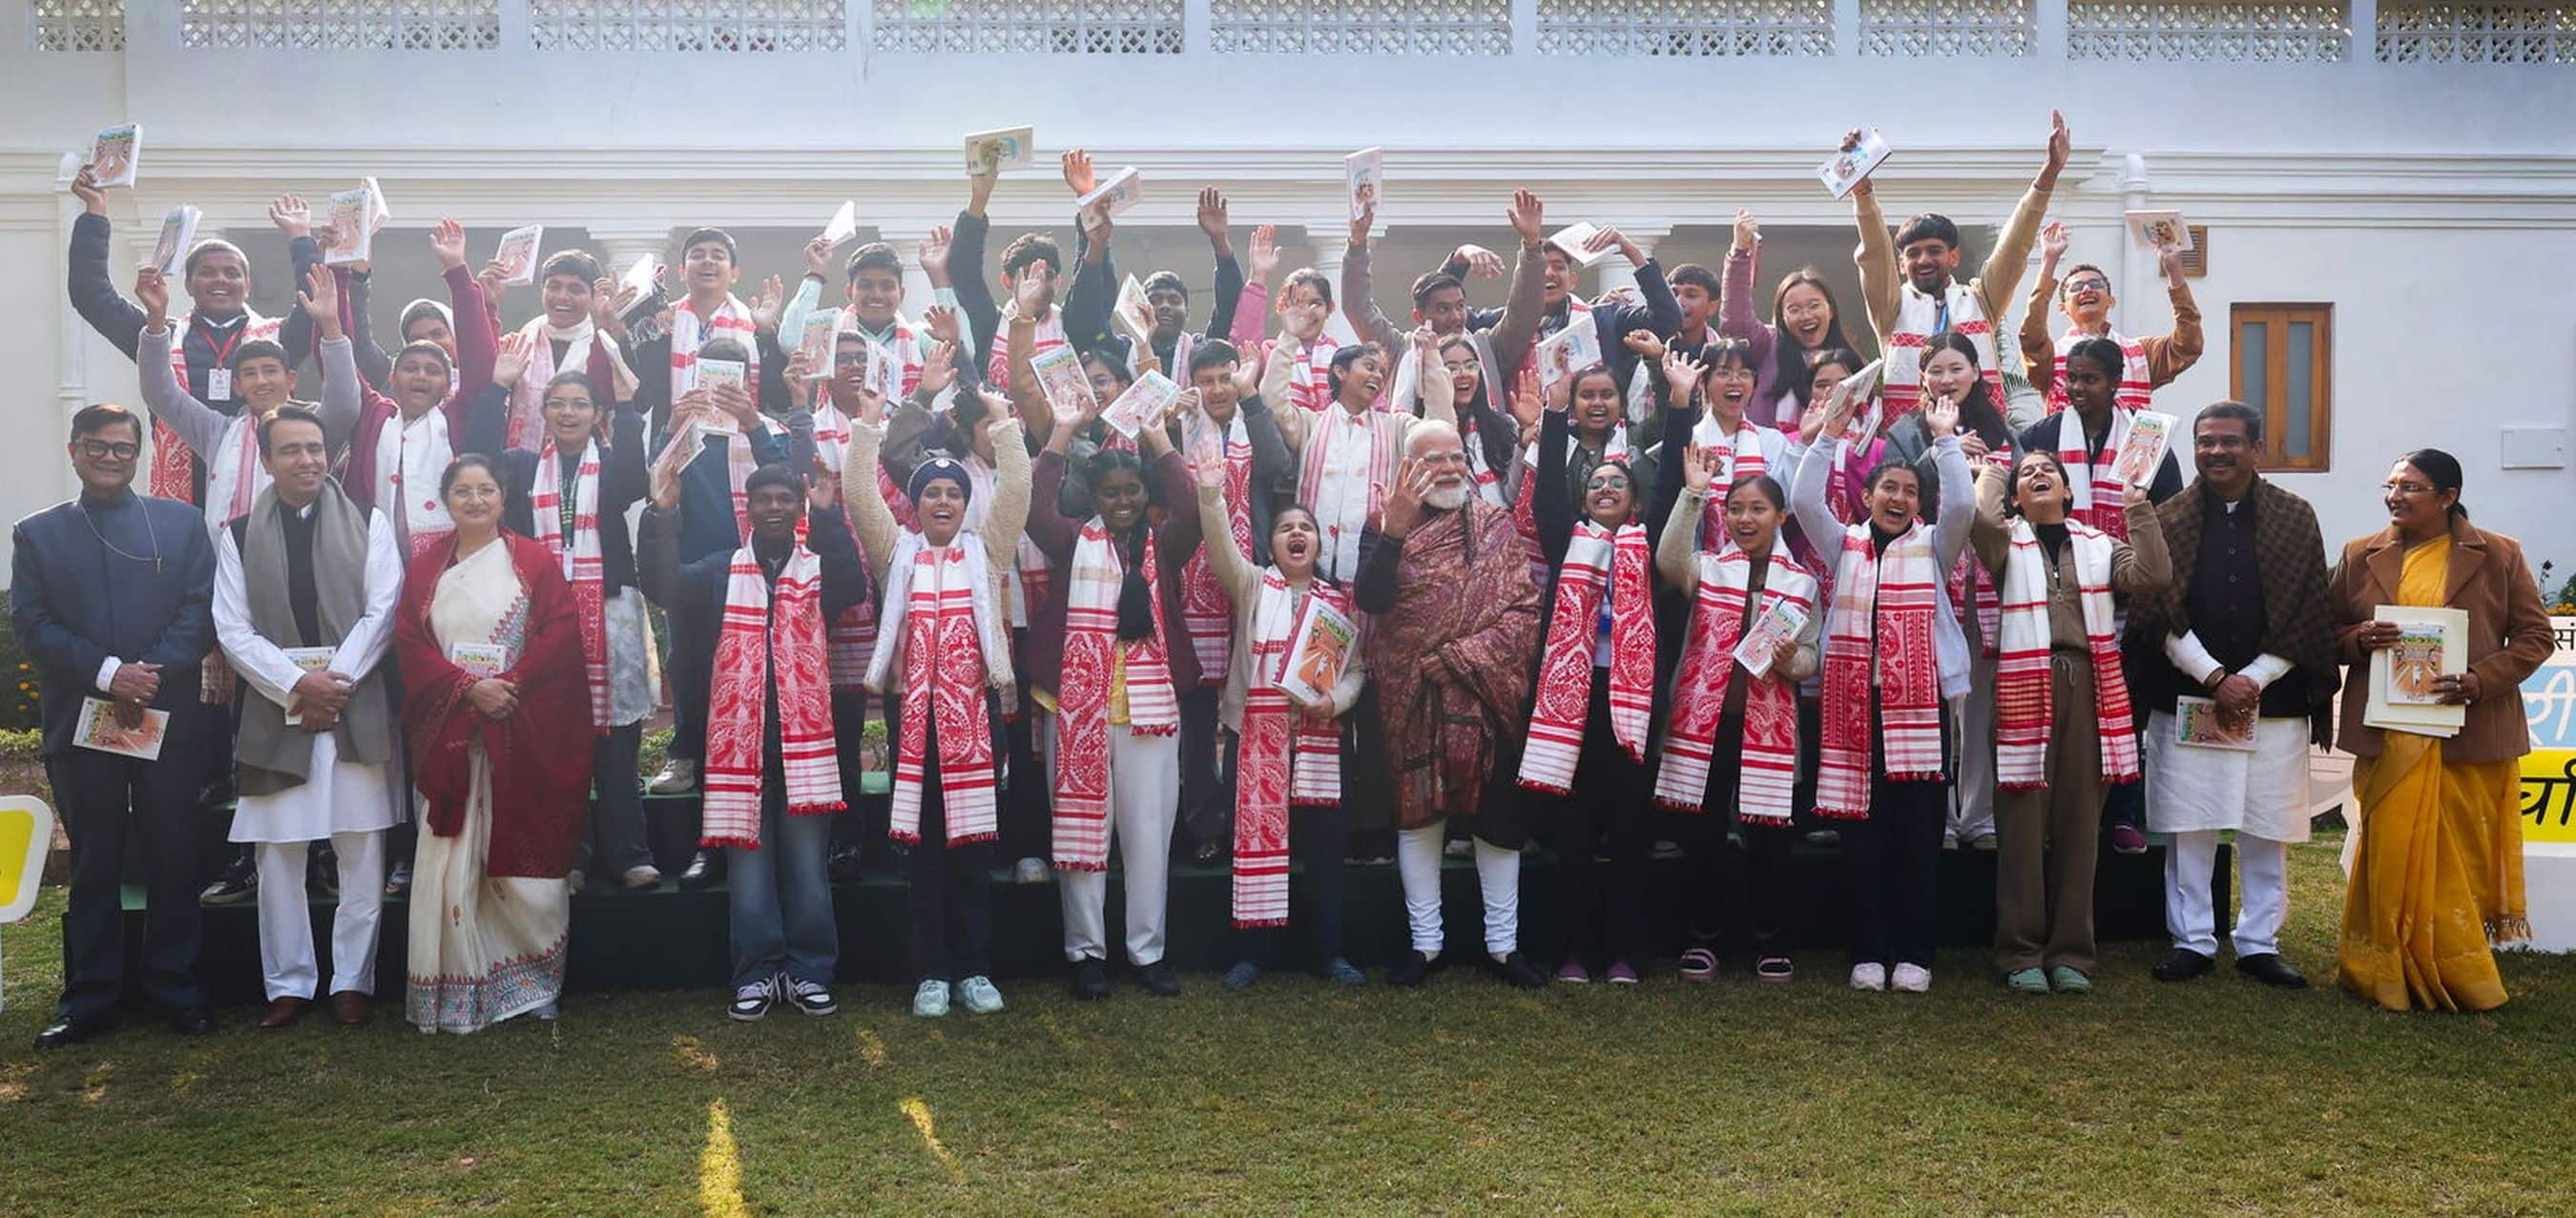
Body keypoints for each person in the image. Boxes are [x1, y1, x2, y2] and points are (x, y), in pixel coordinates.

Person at [16, 404, 219, 1046]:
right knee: (96, 861)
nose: (110, 458)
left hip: (166, 716)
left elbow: (200, 608)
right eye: (97, 447)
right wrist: (109, 674)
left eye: (123, 449)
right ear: (73, 451)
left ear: (141, 455)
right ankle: (90, 997)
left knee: (173, 856)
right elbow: (34, 624)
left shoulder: (181, 524)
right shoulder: (37, 534)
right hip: (83, 720)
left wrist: (148, 674)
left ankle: (176, 987)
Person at [638, 463, 867, 1022]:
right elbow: (661, 583)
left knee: (808, 869)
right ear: (747, 507)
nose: (772, 508)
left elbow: (854, 582)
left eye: (784, 499)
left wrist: (831, 515)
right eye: (762, 499)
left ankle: (811, 970)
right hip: (739, 748)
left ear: (798, 508)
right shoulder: (721, 571)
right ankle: (757, 973)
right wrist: (662, 516)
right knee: (749, 871)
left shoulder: (819, 570)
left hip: (805, 745)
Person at [2329, 448, 2553, 1012]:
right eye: (2391, 485)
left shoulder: (2499, 554)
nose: (2395, 496)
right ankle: (2382, 965)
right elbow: (2325, 631)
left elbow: (2534, 637)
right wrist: (2360, 639)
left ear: (2448, 496)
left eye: (2411, 487)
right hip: (2389, 734)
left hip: (2468, 731)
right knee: (2390, 849)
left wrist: (2479, 679)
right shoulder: (2361, 554)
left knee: (2458, 856)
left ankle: (2457, 968)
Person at [2128, 403, 2337, 988]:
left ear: (2257, 448)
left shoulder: (2295, 518)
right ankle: (2192, 939)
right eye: (2205, 442)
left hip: (2275, 700)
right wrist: (2216, 677)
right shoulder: (2168, 517)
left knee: (2264, 825)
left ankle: (2257, 942)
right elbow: (2155, 614)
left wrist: (2255, 678)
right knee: (2190, 824)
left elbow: (2307, 611)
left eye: (2229, 442)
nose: (2216, 452)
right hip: (2188, 696)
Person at [212, 406, 405, 1029]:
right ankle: (289, 983)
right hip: (279, 709)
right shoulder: (238, 534)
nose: (307, 460)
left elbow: (384, 610)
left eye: (316, 448)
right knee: (279, 855)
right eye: (291, 450)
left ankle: (353, 980)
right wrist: (299, 684)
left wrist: (335, 684)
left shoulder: (369, 522)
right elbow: (232, 629)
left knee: (361, 850)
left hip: (353, 705)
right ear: (267, 460)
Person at [845, 379, 1032, 1020]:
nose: (945, 501)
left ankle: (976, 967)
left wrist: (1005, 424)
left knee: (973, 851)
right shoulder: (895, 552)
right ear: (918, 505)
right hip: (915, 723)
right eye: (932, 493)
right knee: (923, 855)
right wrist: (867, 430)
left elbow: (1016, 490)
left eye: (954, 492)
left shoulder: (989, 551)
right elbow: (860, 495)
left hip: (978, 721)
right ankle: (931, 972)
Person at [1024, 347, 1204, 1000]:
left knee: (1150, 835)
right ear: (1094, 497)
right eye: (1110, 492)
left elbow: (1188, 504)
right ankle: (1086, 951)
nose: (1123, 501)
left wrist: (1156, 433)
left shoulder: (1164, 542)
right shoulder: (1076, 541)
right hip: (1079, 703)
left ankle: (1147, 952)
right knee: (1079, 826)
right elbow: (1036, 505)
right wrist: (1063, 431)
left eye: (1132, 491)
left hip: (1149, 715)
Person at [394, 456, 592, 1033]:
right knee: (455, 859)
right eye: (463, 491)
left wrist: (508, 689)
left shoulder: (533, 561)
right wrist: (467, 691)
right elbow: (410, 643)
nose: (475, 500)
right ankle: (455, 987)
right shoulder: (426, 568)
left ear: (504, 498)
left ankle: (533, 983)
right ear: (445, 500)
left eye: (485, 491)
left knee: (522, 856)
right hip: (453, 733)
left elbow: (559, 635)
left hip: (522, 727)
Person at [1788, 394, 1974, 993]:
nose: (1897, 499)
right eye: (1887, 489)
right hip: (1853, 711)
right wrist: (1829, 435)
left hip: (1919, 712)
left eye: (1909, 492)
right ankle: (1868, 949)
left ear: (1920, 504)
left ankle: (1914, 951)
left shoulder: (1935, 548)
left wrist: (1944, 439)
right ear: (1866, 498)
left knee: (1917, 838)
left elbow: (1966, 504)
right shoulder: (1842, 545)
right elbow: (1801, 499)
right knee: (1862, 840)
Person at [1353, 423, 1547, 989]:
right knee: (1419, 818)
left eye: (1455, 456)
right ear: (1406, 468)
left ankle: (1504, 947)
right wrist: (1393, 532)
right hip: (1408, 695)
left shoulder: (1495, 527)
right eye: (1430, 459)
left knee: (1497, 822)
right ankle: (1425, 944)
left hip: (1485, 690)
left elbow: (1523, 612)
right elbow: (1371, 600)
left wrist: (1463, 656)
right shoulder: (1382, 524)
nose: (1447, 467)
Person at [1971, 447, 2170, 995]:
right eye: (2026, 474)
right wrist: (1991, 471)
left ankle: (2072, 953)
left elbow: (2153, 574)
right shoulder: (2003, 543)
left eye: (2048, 472)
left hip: (2089, 686)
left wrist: (2138, 507)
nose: (2038, 476)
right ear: (2015, 497)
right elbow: (1982, 518)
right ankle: (2020, 952)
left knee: (2081, 825)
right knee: (2021, 825)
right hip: (2022, 683)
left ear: (2068, 491)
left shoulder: (2098, 545)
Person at [467, 334, 659, 894]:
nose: (568, 412)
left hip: (612, 611)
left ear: (595, 415)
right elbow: (476, 455)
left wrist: (626, 406)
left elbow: (636, 476)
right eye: (558, 403)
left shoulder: (613, 467)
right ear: (544, 413)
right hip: (543, 617)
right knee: (554, 738)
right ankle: (568, 854)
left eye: (580, 404)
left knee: (618, 742)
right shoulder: (524, 470)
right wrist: (499, 388)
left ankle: (629, 852)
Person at [1188, 462, 1368, 989]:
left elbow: (1356, 673)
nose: (1297, 533)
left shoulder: (1339, 604)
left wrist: (1333, 702)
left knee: (1325, 857)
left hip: (1321, 746)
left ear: (1317, 544)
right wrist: (1209, 492)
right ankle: (1252, 954)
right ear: (1271, 545)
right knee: (1255, 846)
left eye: (1306, 528)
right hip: (1254, 744)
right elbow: (1220, 544)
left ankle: (1327, 953)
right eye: (1286, 527)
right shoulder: (1251, 587)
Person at [1519, 369, 1661, 984]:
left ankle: (1627, 952)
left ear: (1635, 500)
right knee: (1573, 836)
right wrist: (1554, 419)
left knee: (1630, 837)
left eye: (1618, 484)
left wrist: (1679, 408)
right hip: (1571, 709)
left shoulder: (1651, 548)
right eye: (1597, 483)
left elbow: (1679, 482)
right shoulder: (1565, 538)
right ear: (1584, 499)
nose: (1606, 488)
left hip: (1632, 709)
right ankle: (1572, 951)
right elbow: (1547, 491)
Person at [1654, 459, 1819, 983]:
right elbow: (1667, 558)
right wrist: (1693, 495)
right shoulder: (1709, 567)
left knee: (1767, 839)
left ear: (1781, 516)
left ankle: (1770, 941)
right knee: (1702, 838)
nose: (1745, 519)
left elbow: (1812, 656)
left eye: (1758, 509)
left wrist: (1792, 659)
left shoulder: (1803, 583)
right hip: (1707, 727)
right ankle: (1702, 940)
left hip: (1768, 730)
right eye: (1736, 510)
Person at [69, 172, 321, 505]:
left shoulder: (275, 339)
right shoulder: (159, 334)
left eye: (232, 273)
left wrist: (301, 238)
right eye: (207, 272)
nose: (220, 279)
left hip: (260, 482)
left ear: (247, 285)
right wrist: (95, 212)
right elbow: (91, 295)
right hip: (181, 491)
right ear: (188, 284)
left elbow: (315, 303)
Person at [1880, 330, 2019, 852]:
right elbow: (1889, 487)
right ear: (1922, 378)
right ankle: (1936, 815)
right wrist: (1946, 454)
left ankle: (1979, 815)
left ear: (1977, 372)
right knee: (1930, 696)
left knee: (1980, 699)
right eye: (1935, 370)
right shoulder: (1907, 430)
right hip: (1925, 572)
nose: (1946, 379)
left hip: (1986, 576)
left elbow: (2021, 487)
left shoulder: (2001, 428)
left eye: (1956, 368)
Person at [1849, 113, 2066, 419]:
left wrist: (2049, 174)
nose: (1923, 260)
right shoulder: (1891, 307)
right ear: (1901, 263)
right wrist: (1862, 193)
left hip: (1982, 442)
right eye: (1913, 253)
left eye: (1934, 250)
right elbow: (1873, 256)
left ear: (1954, 257)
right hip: (1913, 447)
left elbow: (2014, 248)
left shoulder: (1980, 299)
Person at [1170, 341, 1294, 863]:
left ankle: (1250, 817)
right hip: (1188, 593)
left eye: (1226, 378)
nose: (1218, 389)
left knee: (1248, 715)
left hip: (1251, 589)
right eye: (1208, 380)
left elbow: (1279, 465)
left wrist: (1251, 395)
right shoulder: (1177, 430)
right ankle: (1204, 828)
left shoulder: (1251, 424)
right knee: (1196, 723)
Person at [320, 219, 500, 558]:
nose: (420, 376)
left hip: (449, 564)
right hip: (372, 560)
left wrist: (457, 271)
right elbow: (340, 364)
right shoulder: (375, 414)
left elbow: (479, 358)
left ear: (448, 385)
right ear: (393, 378)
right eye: (410, 367)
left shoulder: (458, 415)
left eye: (433, 370)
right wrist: (339, 279)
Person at [2017, 221, 2203, 414]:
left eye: (2096, 284)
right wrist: (2049, 261)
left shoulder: (2142, 352)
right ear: (2062, 308)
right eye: (2077, 288)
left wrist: (2174, 271)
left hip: (2127, 444)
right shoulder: (2051, 357)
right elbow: (2031, 338)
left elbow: (2188, 346)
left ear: (2111, 301)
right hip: (2070, 444)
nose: (2087, 289)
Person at [1721, 210, 1861, 429]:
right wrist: (1739, 251)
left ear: (1831, 310)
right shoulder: (1766, 345)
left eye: (1814, 306)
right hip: (1772, 459)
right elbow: (1735, 322)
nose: (1806, 316)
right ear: (1782, 318)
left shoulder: (1850, 359)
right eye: (1794, 309)